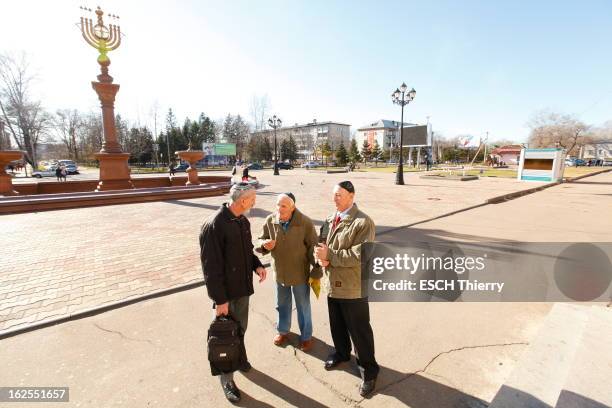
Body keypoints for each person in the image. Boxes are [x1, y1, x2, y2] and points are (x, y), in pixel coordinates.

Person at [199, 182, 267, 403]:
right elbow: (211, 269)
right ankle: (227, 379)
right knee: (225, 336)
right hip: (226, 295)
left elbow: (247, 252)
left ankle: (240, 358)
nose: (255, 202)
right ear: (242, 201)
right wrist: (220, 301)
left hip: (243, 289)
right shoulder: (214, 225)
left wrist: (257, 265)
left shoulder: (242, 221)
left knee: (240, 329)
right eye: (252, 199)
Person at [314, 180, 379, 397]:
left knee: (359, 331)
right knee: (337, 325)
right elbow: (321, 243)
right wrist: (320, 258)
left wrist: (329, 256)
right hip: (333, 283)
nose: (335, 199)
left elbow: (361, 255)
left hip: (353, 287)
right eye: (334, 195)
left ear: (352, 196)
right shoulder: (331, 218)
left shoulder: (363, 222)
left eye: (339, 195)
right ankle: (342, 353)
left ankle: (369, 371)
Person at [257, 193, 321, 351]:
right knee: (282, 304)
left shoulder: (305, 222)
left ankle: (306, 336)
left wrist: (317, 268)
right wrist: (264, 244)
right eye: (278, 205)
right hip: (280, 272)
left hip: (300, 273)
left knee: (303, 306)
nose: (279, 209)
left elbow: (313, 247)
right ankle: (282, 331)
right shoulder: (271, 220)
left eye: (284, 206)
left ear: (293, 207)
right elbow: (260, 239)